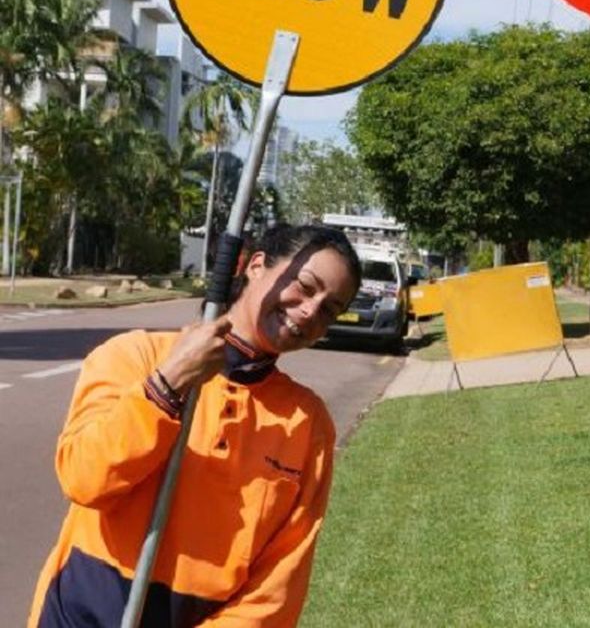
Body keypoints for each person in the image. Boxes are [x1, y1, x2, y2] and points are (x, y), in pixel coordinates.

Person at [28, 224, 362, 628]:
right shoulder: (134, 355)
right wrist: (165, 386)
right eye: (306, 287)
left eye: (330, 309)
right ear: (257, 265)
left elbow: (278, 588)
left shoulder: (307, 425)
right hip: (78, 613)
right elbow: (85, 479)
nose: (311, 311)